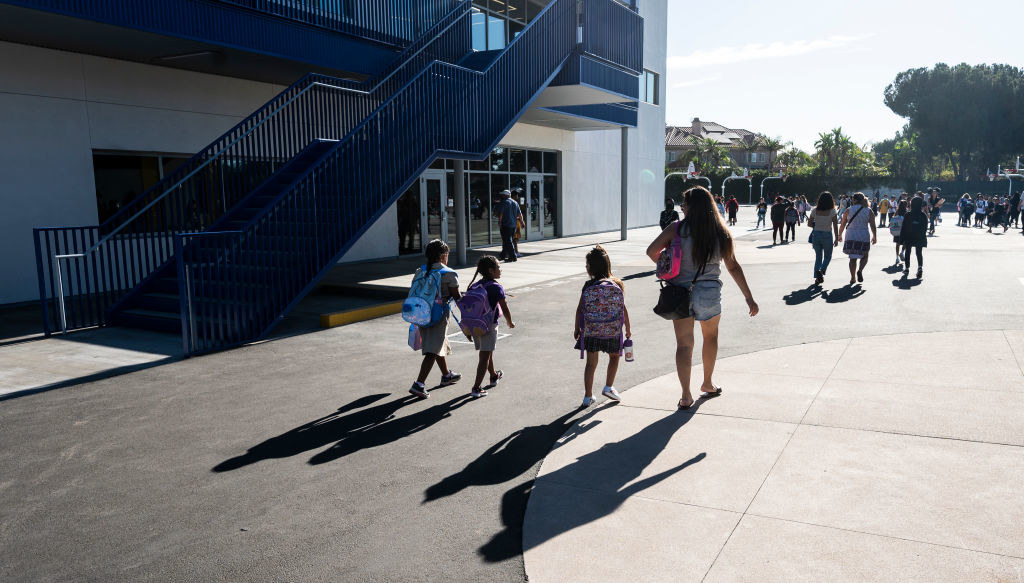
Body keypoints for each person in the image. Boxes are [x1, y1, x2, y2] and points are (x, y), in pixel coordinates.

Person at [645, 186, 759, 410]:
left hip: (681, 293)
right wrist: (749, 298)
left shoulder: (676, 229)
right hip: (709, 293)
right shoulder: (721, 232)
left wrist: (667, 264)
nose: (681, 207)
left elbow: (651, 251)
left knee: (684, 345)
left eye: (684, 203)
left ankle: (685, 395)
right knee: (711, 338)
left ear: (692, 206)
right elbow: (733, 267)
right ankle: (707, 383)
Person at [573, 246, 631, 407]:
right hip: (612, 330)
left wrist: (577, 328)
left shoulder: (588, 285)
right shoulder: (617, 283)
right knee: (614, 357)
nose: (586, 267)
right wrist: (628, 329)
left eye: (587, 264)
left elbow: (580, 309)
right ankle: (608, 386)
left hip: (591, 330)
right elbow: (623, 309)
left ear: (591, 267)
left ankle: (587, 396)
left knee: (591, 364)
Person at [409, 240, 462, 398]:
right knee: (432, 350)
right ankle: (419, 384)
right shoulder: (448, 273)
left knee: (438, 343)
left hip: (421, 314)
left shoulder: (420, 271)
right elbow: (457, 298)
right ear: (442, 255)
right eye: (447, 254)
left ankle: (446, 375)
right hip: (438, 317)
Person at [463, 255, 515, 398]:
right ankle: (476, 388)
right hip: (489, 325)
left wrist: (467, 329)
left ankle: (493, 376)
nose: (501, 269)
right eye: (498, 267)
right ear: (491, 271)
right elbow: (504, 308)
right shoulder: (495, 287)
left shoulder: (475, 285)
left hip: (475, 325)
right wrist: (510, 322)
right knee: (484, 356)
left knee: (487, 351)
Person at [837, 192, 877, 285]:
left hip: (851, 235)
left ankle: (853, 278)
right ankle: (860, 270)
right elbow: (872, 225)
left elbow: (843, 224)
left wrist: (839, 235)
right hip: (863, 235)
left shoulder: (848, 209)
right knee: (865, 255)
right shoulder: (868, 210)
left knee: (852, 258)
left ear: (854, 200)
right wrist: (875, 236)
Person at [809, 191, 840, 284]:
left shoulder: (814, 210)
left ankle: (817, 277)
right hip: (827, 234)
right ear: (831, 200)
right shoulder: (832, 211)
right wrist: (836, 238)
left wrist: (817, 225)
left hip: (816, 234)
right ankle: (822, 271)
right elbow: (835, 225)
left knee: (818, 257)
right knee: (827, 257)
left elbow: (809, 223)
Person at [900, 197, 928, 278]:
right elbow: (925, 228)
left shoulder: (908, 214)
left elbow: (903, 227)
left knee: (908, 252)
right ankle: (920, 267)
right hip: (919, 236)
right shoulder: (923, 215)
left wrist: (902, 239)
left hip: (909, 236)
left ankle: (907, 268)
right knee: (919, 252)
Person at [495, 189, 521, 262]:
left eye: (502, 194)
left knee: (508, 241)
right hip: (513, 225)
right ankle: (503, 255)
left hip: (506, 224)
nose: (501, 195)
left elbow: (501, 214)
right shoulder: (515, 202)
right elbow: (519, 213)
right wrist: (522, 222)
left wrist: (500, 223)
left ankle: (513, 256)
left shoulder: (504, 202)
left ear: (505, 195)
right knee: (507, 240)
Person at [890, 200, 907, 268]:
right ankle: (902, 252)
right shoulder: (906, 212)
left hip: (897, 230)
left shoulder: (897, 211)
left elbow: (893, 218)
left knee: (897, 244)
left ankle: (897, 257)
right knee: (905, 242)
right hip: (904, 230)